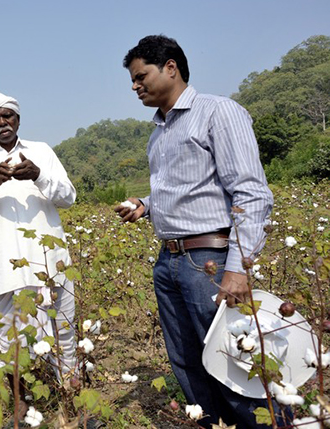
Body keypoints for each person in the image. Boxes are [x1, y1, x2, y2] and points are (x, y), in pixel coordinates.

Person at [115, 36, 279, 428]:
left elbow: (251, 193)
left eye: (141, 77)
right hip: (169, 260)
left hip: (210, 259)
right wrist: (146, 205)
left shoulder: (218, 112)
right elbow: (182, 188)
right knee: (187, 358)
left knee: (231, 360)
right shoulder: (159, 133)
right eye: (132, 80)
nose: (135, 86)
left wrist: (237, 269)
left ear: (171, 67)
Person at [0, 91, 78, 418]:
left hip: (49, 262)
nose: (3, 122)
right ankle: (19, 406)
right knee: (9, 340)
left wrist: (38, 175)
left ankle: (72, 403)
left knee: (63, 331)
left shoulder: (41, 152)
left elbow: (69, 197)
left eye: (7, 116)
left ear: (18, 120)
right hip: (6, 268)